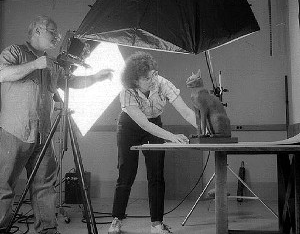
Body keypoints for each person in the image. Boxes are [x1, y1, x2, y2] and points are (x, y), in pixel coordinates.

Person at [0, 15, 113, 234]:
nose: (57, 36)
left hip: (44, 134)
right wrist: (34, 64)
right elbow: (3, 74)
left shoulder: (51, 63)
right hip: (14, 131)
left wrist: (96, 77)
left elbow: (70, 82)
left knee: (44, 184)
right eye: (53, 31)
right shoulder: (14, 52)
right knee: (4, 184)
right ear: (37, 31)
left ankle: (48, 230)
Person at [108, 51, 197, 234]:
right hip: (130, 127)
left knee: (156, 175)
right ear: (135, 81)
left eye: (154, 73)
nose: (153, 79)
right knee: (126, 174)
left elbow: (186, 112)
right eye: (147, 78)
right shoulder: (126, 92)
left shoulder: (162, 83)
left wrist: (206, 129)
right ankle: (116, 220)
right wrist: (171, 137)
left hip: (155, 123)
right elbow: (143, 124)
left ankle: (157, 224)